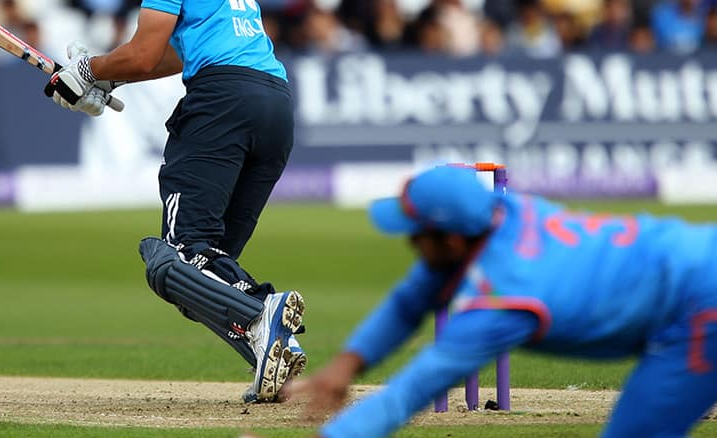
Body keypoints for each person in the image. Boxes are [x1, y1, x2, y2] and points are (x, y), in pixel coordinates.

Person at [46, 0, 307, 403]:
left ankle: (265, 312)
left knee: (171, 259)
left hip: (224, 102)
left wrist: (88, 67)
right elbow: (170, 54)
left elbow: (143, 54)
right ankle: (274, 356)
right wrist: (104, 79)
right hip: (274, 104)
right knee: (203, 280)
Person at [242, 164, 717, 438]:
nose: (410, 245)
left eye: (415, 235)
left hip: (700, 309)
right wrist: (348, 363)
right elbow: (411, 300)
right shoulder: (506, 212)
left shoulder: (502, 299)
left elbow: (408, 394)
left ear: (449, 241)